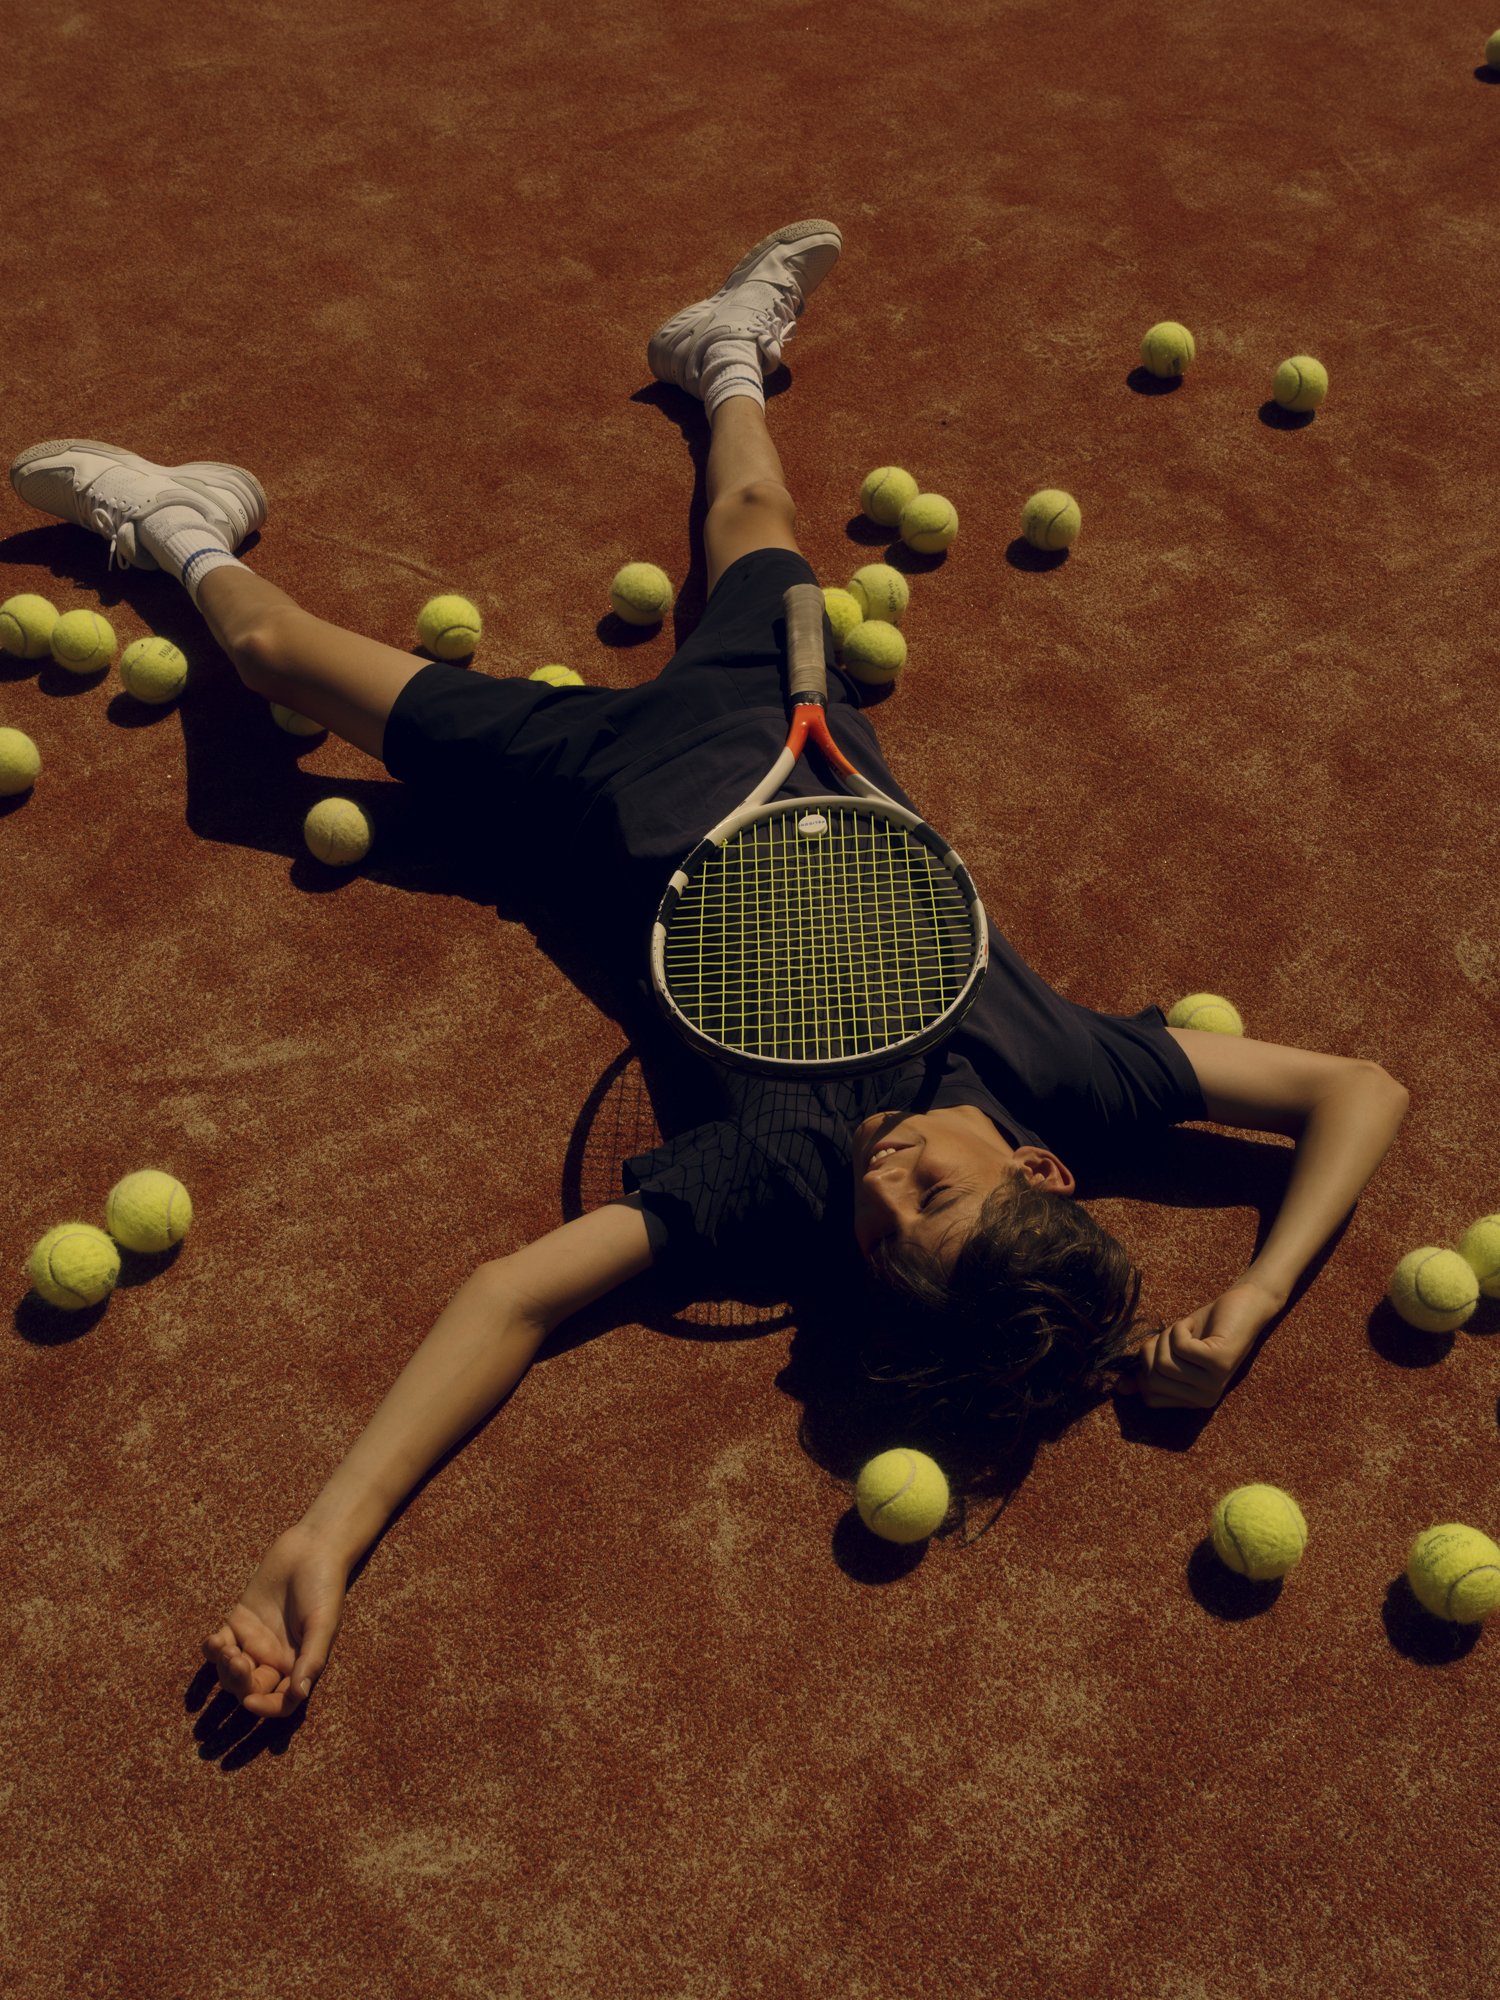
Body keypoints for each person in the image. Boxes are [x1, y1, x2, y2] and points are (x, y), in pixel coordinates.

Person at [10, 221, 1409, 1716]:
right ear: (1046, 1167)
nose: (883, 1192)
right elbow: (1357, 1088)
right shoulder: (1067, 1069)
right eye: (933, 1193)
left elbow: (512, 1302)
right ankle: (723, 349)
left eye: (884, 1246)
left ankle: (175, 524)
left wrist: (322, 1534)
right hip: (789, 712)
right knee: (748, 490)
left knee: (277, 656)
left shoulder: (791, 1171)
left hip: (592, 781)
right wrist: (1251, 1309)